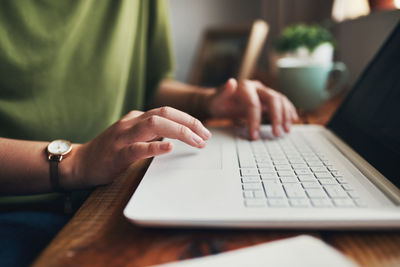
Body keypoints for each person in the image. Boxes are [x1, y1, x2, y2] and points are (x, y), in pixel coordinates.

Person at [0, 0, 298, 266]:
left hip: (115, 191)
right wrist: (78, 162)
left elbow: (152, 83)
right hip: (17, 210)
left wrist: (207, 99)